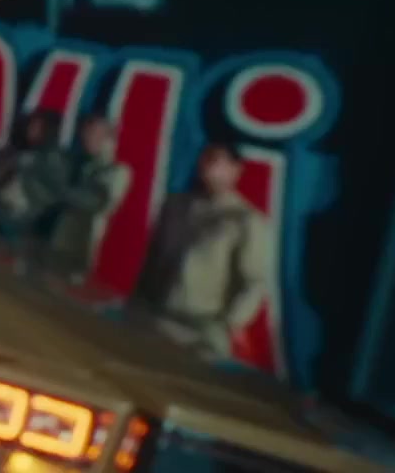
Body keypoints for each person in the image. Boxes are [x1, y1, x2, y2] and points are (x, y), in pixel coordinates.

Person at [133, 140, 273, 360]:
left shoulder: (246, 221)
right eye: (205, 158)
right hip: (156, 317)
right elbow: (152, 259)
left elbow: (254, 283)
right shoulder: (175, 205)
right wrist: (137, 304)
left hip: (201, 331)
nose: (207, 166)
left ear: (235, 170)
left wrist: (229, 324)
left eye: (216, 160)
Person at [44, 114, 132, 280]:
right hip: (57, 241)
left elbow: (96, 201)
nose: (90, 138)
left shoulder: (117, 171)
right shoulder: (79, 161)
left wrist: (59, 189)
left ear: (110, 138)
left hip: (83, 246)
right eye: (88, 132)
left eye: (97, 134)